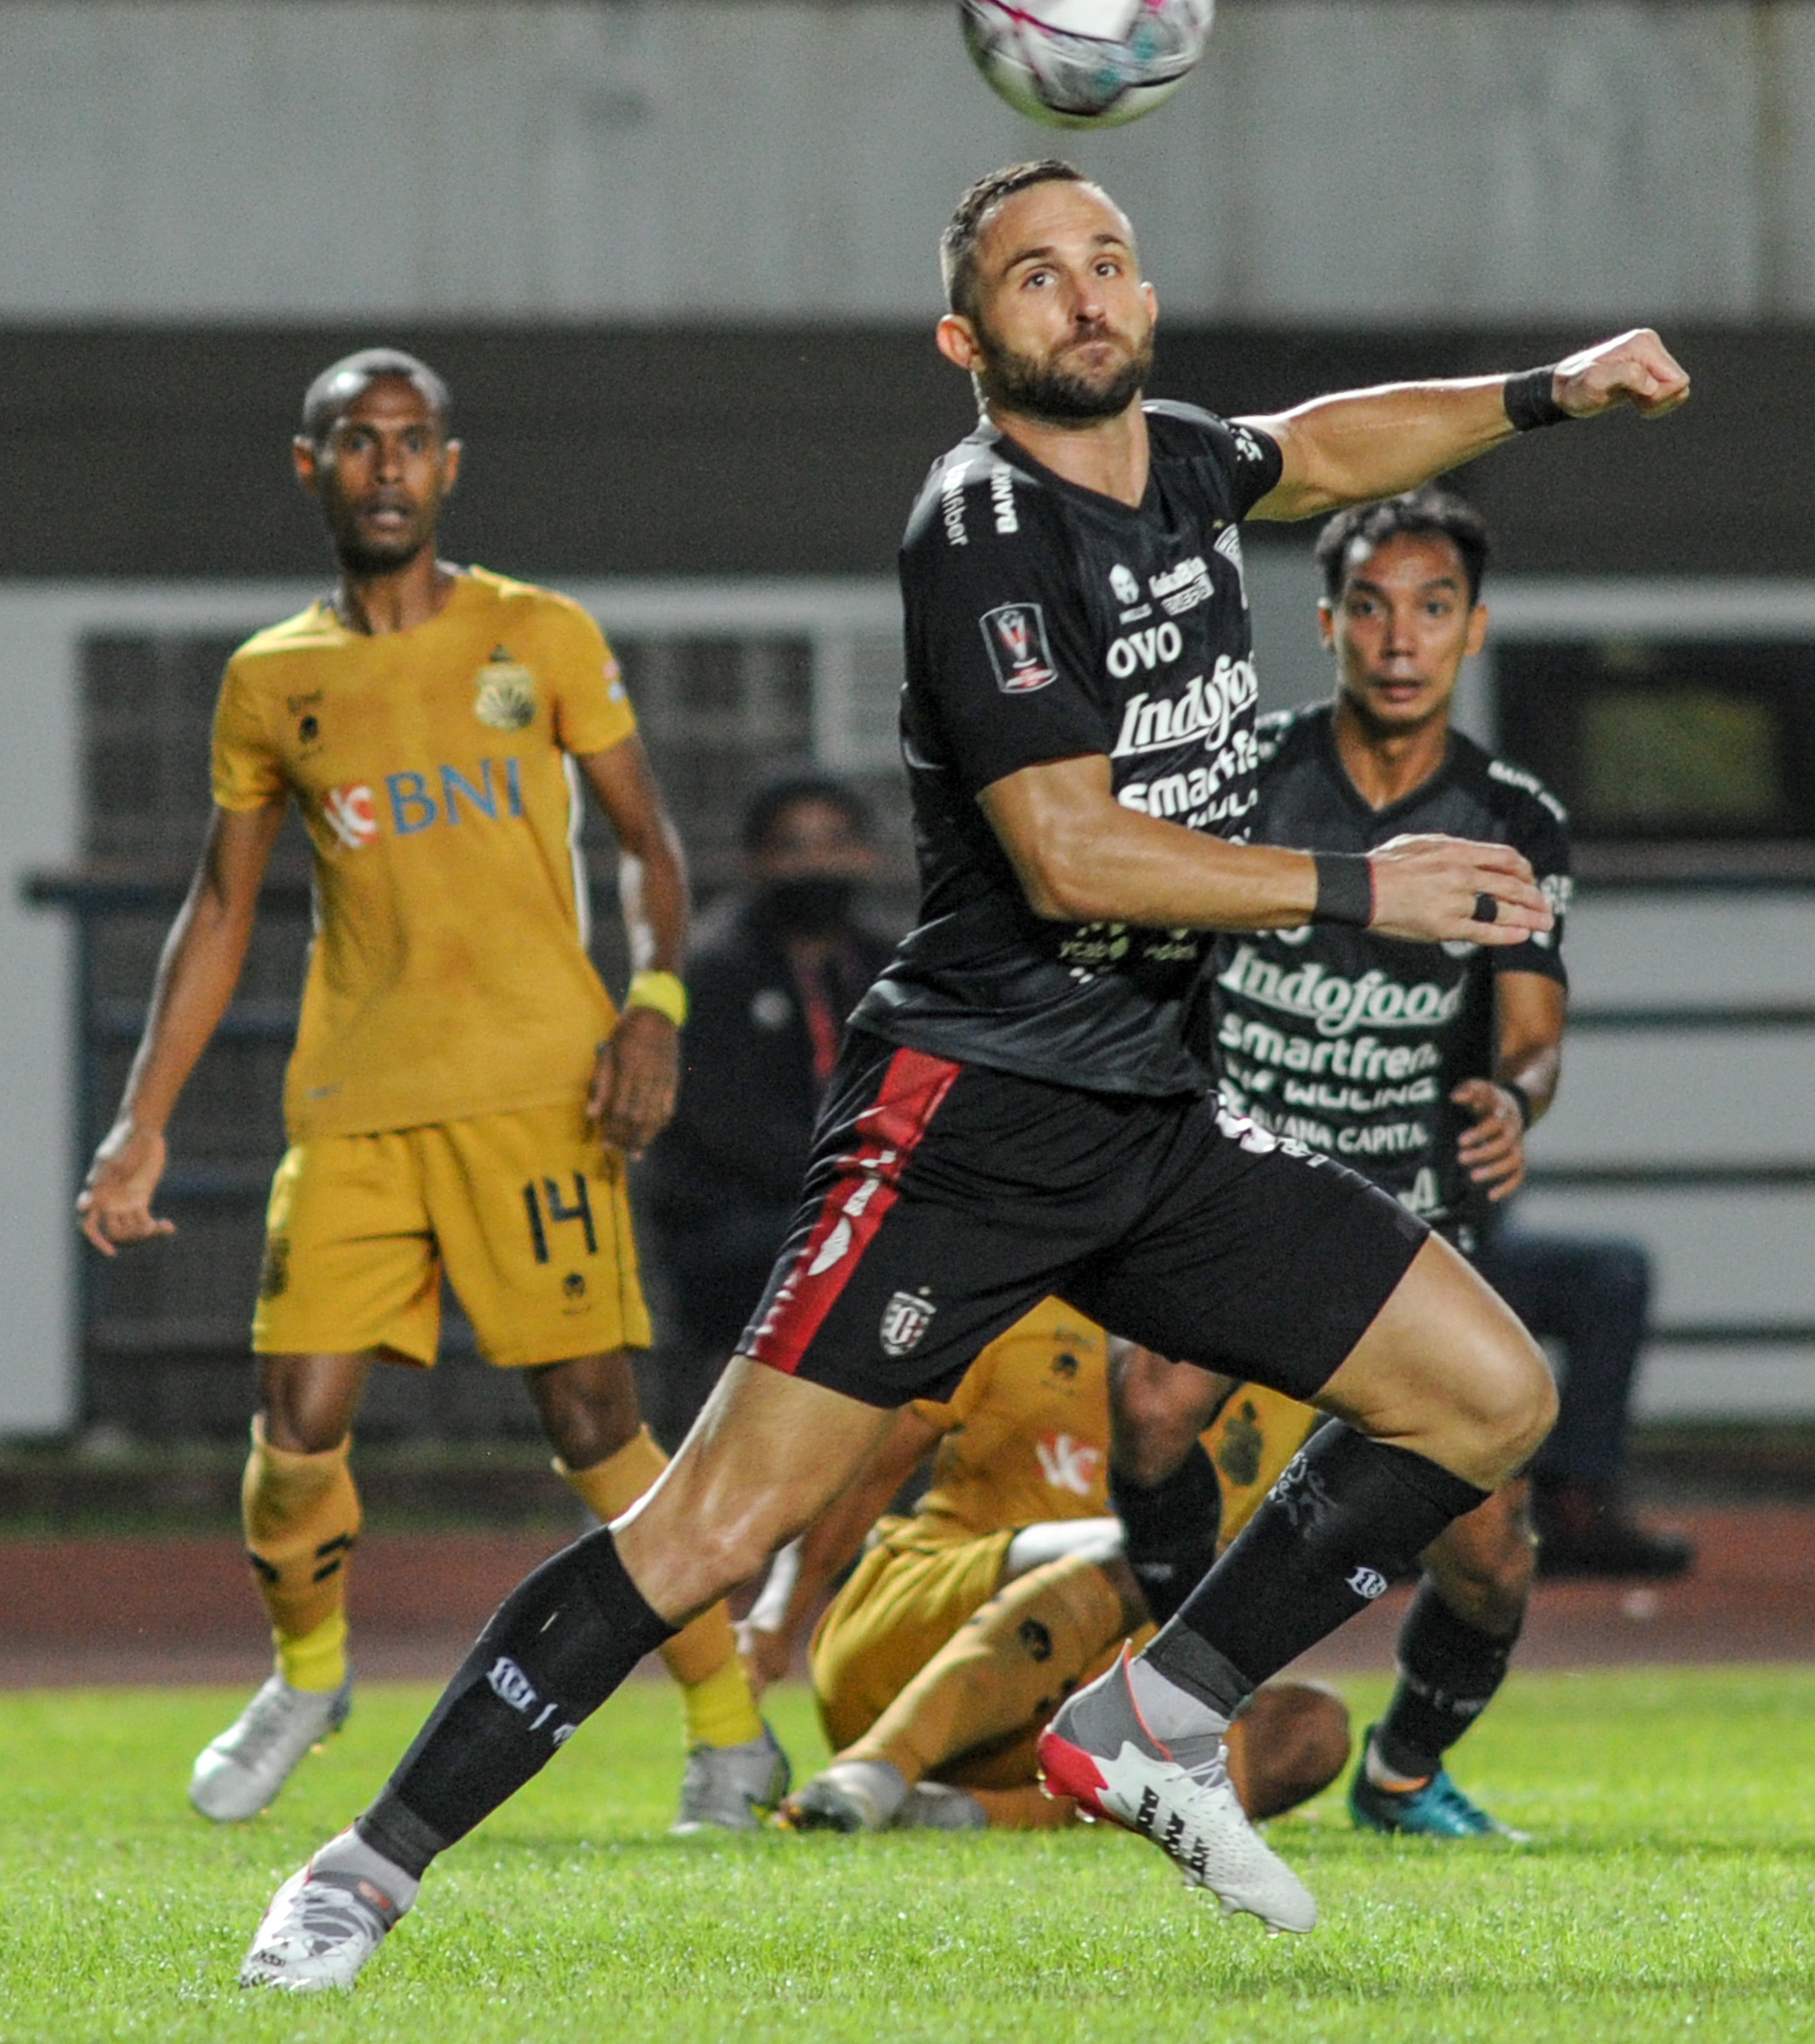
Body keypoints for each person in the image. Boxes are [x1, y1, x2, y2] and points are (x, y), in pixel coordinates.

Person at [240, 158, 1689, 1989]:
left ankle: (1156, 1715)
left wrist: (1550, 389)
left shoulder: (1179, 463)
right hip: (970, 1117)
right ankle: (361, 1870)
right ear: (966, 339)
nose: (1084, 294)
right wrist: (1359, 884)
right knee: (710, 1526)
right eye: (1034, 275)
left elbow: (1326, 446)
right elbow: (1070, 857)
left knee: (1488, 1396)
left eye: (1108, 261)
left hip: (1154, 1115)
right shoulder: (982, 524)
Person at [72, 348, 786, 1838]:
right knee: (295, 1416)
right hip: (354, 1101)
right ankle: (308, 1676)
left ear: (449, 467)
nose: (387, 465)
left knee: (594, 1420)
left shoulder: (539, 633)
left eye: (412, 440)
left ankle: (730, 1726)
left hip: (538, 1092)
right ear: (311, 465)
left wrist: (655, 1006)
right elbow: (221, 907)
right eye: (357, 440)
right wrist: (142, 1120)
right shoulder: (272, 678)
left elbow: (651, 846)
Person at [1102, 485, 1686, 1847]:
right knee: (1149, 1407)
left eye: (1433, 607)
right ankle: (1196, 1706)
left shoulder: (1511, 816)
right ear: (1328, 624)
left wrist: (1513, 1097)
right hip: (1239, 1192)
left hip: (1410, 1226)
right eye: (1371, 606)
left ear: (1473, 628)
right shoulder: (1244, 777)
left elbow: (1534, 1033)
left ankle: (1406, 1771)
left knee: (1490, 1556)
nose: (1400, 637)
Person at [741, 1299, 1355, 1835]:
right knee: (1151, 1546)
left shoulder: (1293, 1376)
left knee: (1309, 1733)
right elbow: (865, 1472)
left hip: (1061, 1712)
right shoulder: (1027, 1300)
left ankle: (963, 1812)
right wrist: (773, 1623)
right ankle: (872, 1770)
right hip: (911, 1642)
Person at [637, 772, 898, 1435]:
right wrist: (846, 1182)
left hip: (863, 1207)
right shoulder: (714, 970)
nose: (817, 864)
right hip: (742, 1222)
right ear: (757, 861)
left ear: (866, 854)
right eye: (794, 847)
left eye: (835, 843)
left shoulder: (892, 968)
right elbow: (725, 1124)